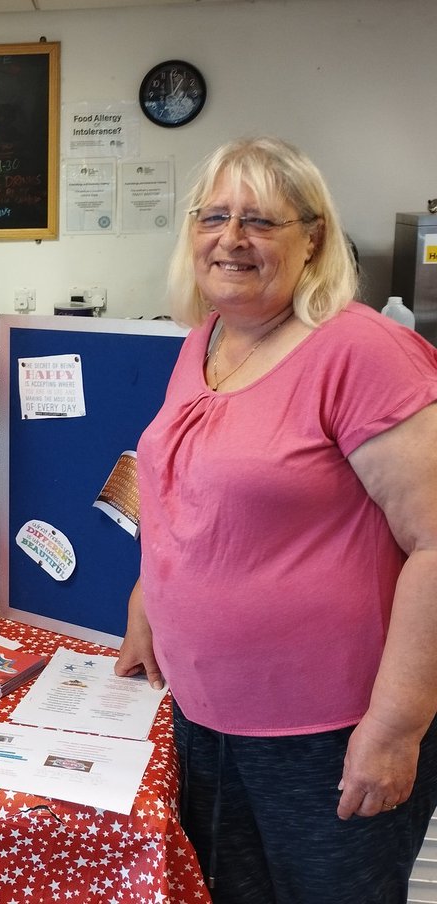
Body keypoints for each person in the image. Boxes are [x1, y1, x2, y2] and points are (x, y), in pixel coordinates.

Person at [114, 135, 437, 903]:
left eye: (260, 221)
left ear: (313, 237)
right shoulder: (206, 341)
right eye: (214, 216)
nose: (231, 239)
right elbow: (186, 493)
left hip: (328, 731)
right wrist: (148, 601)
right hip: (208, 718)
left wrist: (395, 727)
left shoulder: (360, 351)